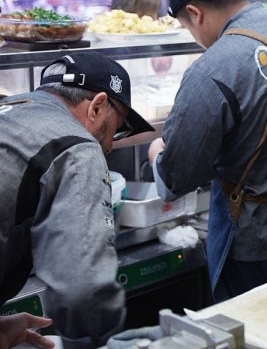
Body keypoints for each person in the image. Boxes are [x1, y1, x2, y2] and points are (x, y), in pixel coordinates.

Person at [147, 0, 267, 301]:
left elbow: (175, 180)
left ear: (195, 13)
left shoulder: (212, 69)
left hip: (256, 238)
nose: (194, 38)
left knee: (248, 329)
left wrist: (156, 151)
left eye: (188, 28)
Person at [0, 51, 155, 348]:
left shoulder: (10, 110)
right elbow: (84, 290)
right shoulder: (76, 146)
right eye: (117, 127)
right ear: (97, 106)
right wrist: (94, 338)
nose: (110, 145)